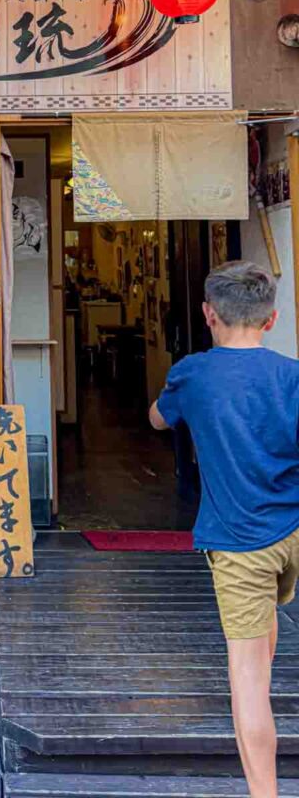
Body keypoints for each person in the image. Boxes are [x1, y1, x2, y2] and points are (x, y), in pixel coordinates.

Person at [150, 261, 299, 798]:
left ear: (209, 315)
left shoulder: (194, 373)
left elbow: (157, 419)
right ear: (272, 318)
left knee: (248, 684)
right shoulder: (292, 375)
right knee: (266, 632)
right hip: (292, 529)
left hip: (238, 540)